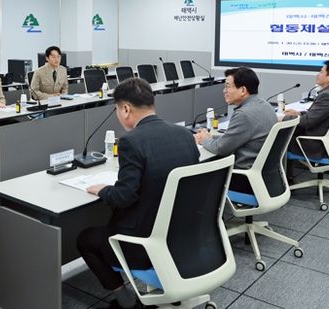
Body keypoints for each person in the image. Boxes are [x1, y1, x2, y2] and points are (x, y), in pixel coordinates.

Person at [77, 78, 200, 309]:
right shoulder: (184, 134)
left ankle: (126, 303)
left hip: (144, 243)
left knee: (85, 239)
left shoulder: (131, 141)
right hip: (184, 235)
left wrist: (102, 189)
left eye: (117, 109)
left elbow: (124, 197)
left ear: (125, 109)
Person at [194, 67, 276, 193]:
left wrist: (204, 140)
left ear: (243, 90)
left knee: (194, 176)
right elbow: (237, 137)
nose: (224, 91)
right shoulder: (265, 105)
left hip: (243, 179)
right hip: (265, 177)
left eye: (227, 86)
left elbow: (221, 148)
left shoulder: (244, 114)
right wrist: (210, 137)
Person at [283, 60, 329, 180]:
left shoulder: (328, 96)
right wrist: (299, 113)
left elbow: (306, 122)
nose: (317, 74)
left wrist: (283, 118)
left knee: (279, 138)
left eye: (321, 72)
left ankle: (283, 179)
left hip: (315, 144)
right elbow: (317, 115)